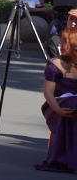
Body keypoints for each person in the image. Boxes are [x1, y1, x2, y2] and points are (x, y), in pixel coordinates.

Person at [35, 11, 77, 173]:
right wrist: (58, 109)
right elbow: (48, 91)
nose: (61, 45)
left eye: (65, 42)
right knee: (72, 103)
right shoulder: (56, 60)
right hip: (57, 103)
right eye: (71, 19)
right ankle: (64, 157)